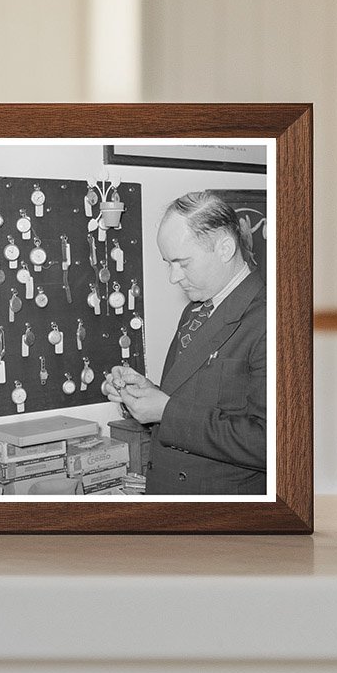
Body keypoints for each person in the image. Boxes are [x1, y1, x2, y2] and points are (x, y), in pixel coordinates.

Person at [102, 191, 266, 495]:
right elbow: (187, 398)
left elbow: (270, 443)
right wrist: (142, 395)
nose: (172, 277)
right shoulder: (195, 310)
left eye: (182, 263)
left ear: (225, 248)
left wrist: (166, 411)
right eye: (168, 263)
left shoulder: (271, 319)